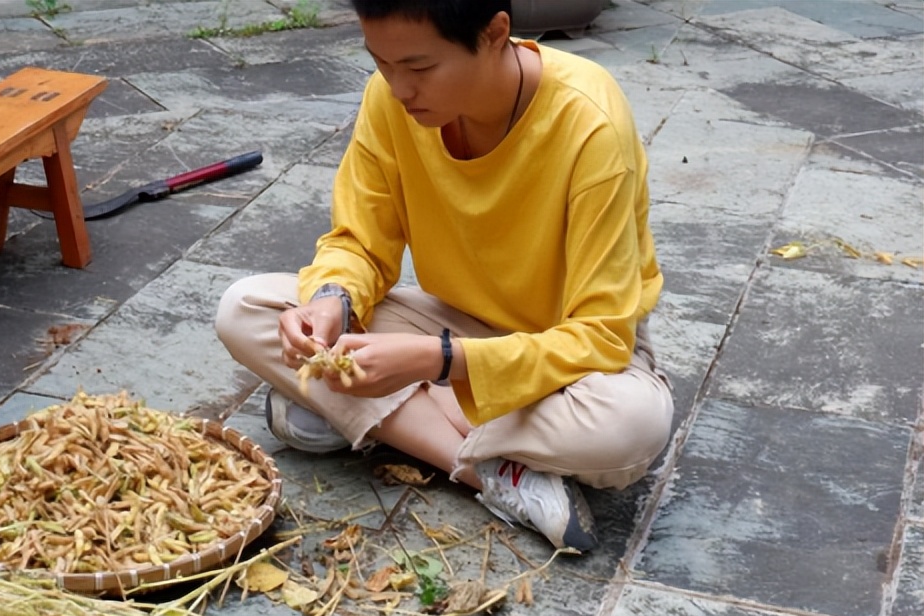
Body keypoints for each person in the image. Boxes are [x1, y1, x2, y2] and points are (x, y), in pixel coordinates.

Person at [215, 0, 674, 552]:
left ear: (495, 32)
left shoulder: (588, 122)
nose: (399, 88)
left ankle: (377, 418)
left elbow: (601, 335)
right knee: (245, 307)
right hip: (452, 323)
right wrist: (332, 302)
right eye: (381, 64)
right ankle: (494, 474)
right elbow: (360, 242)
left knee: (630, 428)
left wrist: (438, 362)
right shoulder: (389, 100)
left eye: (420, 68)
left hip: (570, 361)